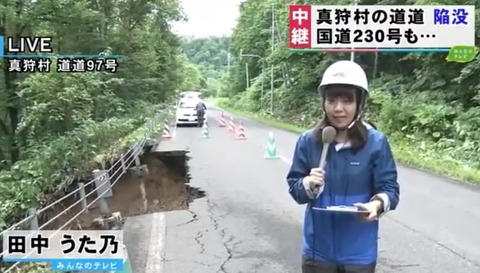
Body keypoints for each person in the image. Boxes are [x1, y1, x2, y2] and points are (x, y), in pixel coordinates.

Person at [286, 60, 400, 273]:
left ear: (360, 103)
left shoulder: (376, 143)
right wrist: (307, 184)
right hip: (317, 252)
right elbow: (295, 187)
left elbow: (390, 189)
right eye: (331, 100)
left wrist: (376, 205)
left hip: (359, 253)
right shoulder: (309, 141)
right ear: (323, 103)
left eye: (347, 100)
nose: (338, 108)